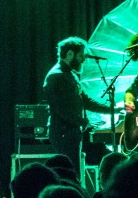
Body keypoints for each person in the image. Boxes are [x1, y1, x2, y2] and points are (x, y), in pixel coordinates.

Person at [42, 36, 109, 179]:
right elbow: (61, 110)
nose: (84, 59)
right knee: (70, 174)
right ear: (70, 54)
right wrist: (84, 122)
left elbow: (86, 101)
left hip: (70, 132)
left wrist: (112, 109)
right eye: (81, 55)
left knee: (74, 172)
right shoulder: (56, 76)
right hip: (63, 133)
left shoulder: (69, 75)